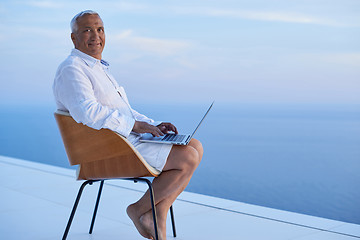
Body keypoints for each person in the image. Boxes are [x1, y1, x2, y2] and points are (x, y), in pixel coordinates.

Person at [53, 10, 203, 240]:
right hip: (107, 150)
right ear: (74, 38)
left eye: (100, 29)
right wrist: (135, 126)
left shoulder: (98, 68)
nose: (96, 35)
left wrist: (152, 125)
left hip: (122, 140)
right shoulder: (72, 68)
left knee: (195, 146)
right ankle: (140, 209)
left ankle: (159, 210)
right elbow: (87, 112)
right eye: (87, 30)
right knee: (188, 157)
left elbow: (123, 111)